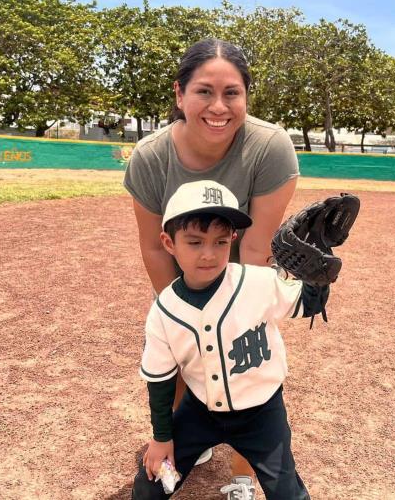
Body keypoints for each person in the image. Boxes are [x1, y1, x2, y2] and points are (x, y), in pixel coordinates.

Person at [124, 38, 299, 491]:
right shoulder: (150, 156)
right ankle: (190, 435)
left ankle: (242, 474)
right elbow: (153, 248)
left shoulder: (269, 147)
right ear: (180, 94)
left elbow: (256, 249)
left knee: (244, 370)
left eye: (232, 93)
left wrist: (235, 314)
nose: (218, 106)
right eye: (204, 91)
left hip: (242, 274)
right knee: (184, 361)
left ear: (245, 97)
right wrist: (178, 313)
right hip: (184, 274)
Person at [132, 180, 324, 500]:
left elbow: (308, 304)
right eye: (194, 242)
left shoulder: (257, 282)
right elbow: (161, 382)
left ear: (233, 239)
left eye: (220, 242)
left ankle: (247, 481)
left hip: (263, 415)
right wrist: (162, 438)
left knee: (287, 491)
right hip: (199, 414)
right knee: (154, 483)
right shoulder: (164, 311)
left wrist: (318, 279)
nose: (209, 254)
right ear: (169, 242)